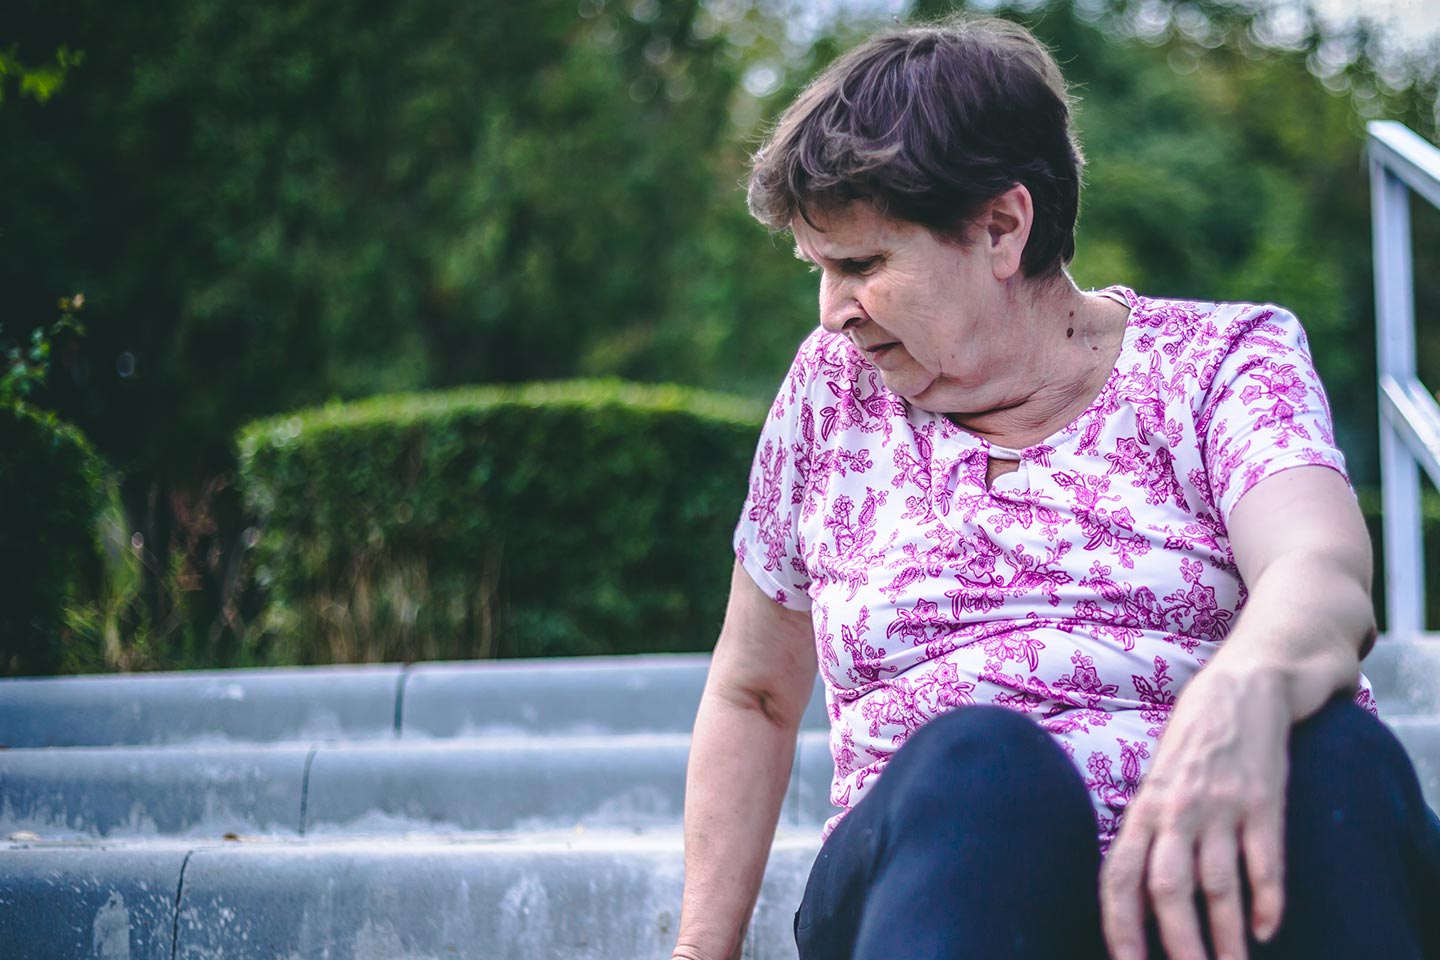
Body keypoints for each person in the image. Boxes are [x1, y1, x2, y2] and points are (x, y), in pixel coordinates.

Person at [670, 14, 1440, 960]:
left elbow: (1318, 567)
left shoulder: (1221, 360)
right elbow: (752, 692)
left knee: (1331, 754)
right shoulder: (832, 396)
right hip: (942, 878)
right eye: (820, 269)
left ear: (1002, 226)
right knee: (984, 764)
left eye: (862, 265)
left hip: (1224, 873)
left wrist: (1249, 688)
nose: (833, 313)